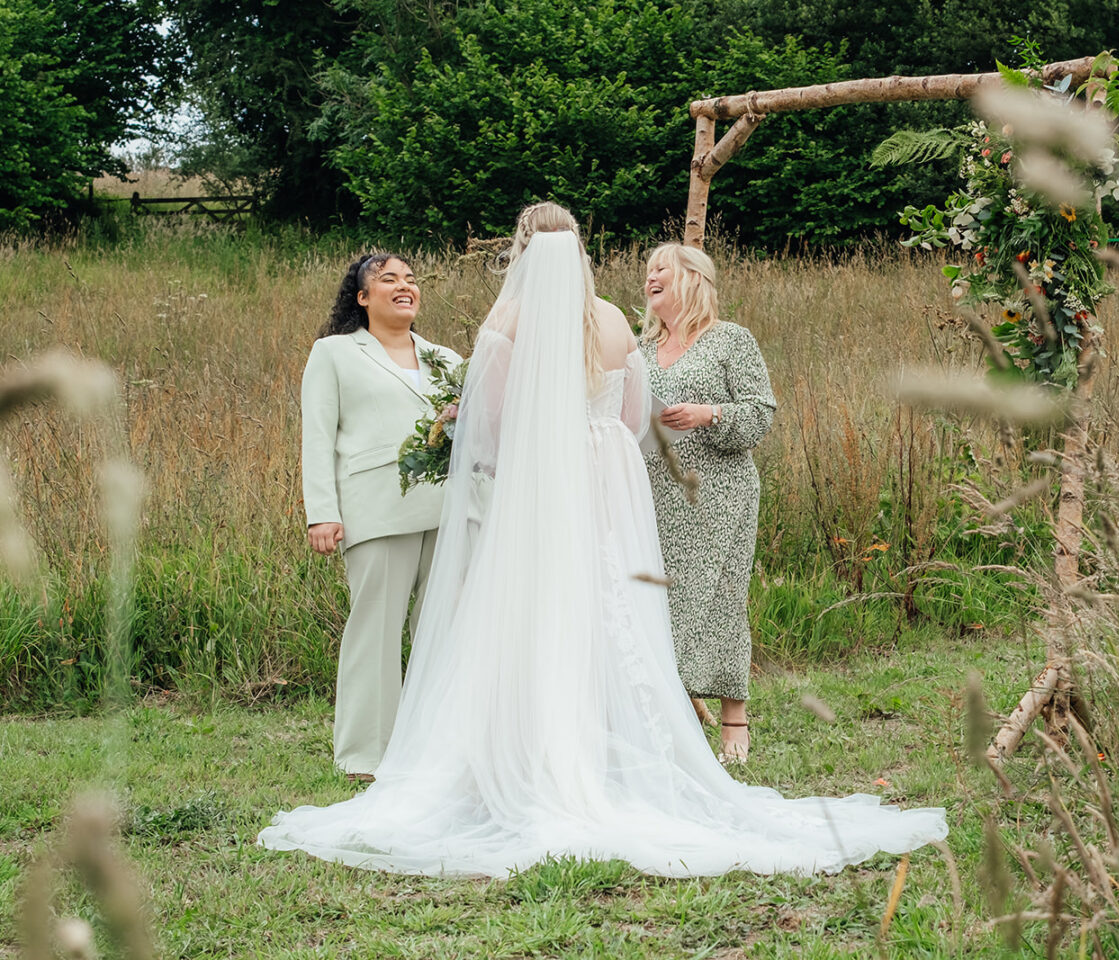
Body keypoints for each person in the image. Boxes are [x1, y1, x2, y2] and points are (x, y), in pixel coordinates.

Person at [259, 203, 946, 878]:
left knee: (531, 611)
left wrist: (486, 437)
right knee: (602, 608)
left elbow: (489, 428)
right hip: (604, 482)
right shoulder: (615, 321)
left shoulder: (508, 318)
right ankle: (612, 750)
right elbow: (633, 417)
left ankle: (526, 755)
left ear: (522, 254)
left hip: (540, 482)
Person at [301, 253, 462, 779]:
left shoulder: (447, 359)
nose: (404, 287)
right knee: (376, 628)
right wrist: (321, 512)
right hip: (374, 509)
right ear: (363, 296)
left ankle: (437, 746)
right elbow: (318, 438)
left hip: (446, 509)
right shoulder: (334, 354)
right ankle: (367, 756)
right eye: (388, 279)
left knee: (441, 629)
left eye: (411, 280)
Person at [641, 243, 774, 764]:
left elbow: (760, 414)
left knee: (717, 596)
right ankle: (678, 706)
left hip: (719, 490)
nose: (650, 278)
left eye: (661, 271)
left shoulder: (730, 341)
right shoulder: (639, 347)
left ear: (693, 279)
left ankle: (734, 718)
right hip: (652, 490)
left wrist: (711, 414)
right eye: (647, 272)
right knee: (659, 602)